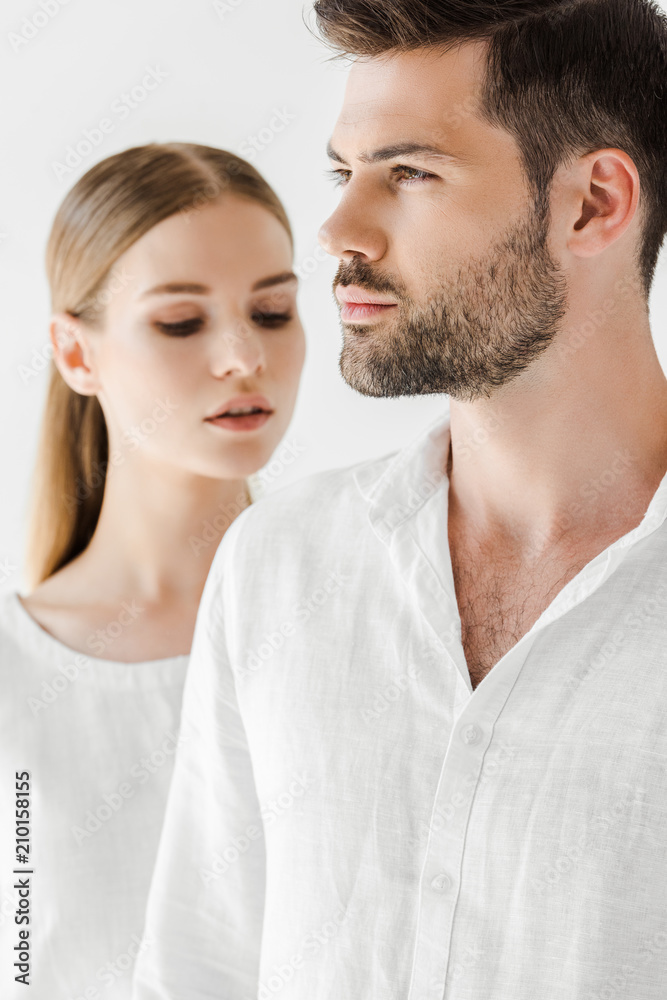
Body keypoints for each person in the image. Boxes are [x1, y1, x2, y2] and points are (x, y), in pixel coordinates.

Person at [132, 1, 667, 997]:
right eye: (344, 172)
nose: (336, 227)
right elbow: (196, 970)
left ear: (593, 203)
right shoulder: (279, 565)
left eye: (409, 172)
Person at [0, 141, 305, 998]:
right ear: (75, 355)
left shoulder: (363, 618)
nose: (244, 355)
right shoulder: (17, 677)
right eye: (181, 321)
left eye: (274, 311)